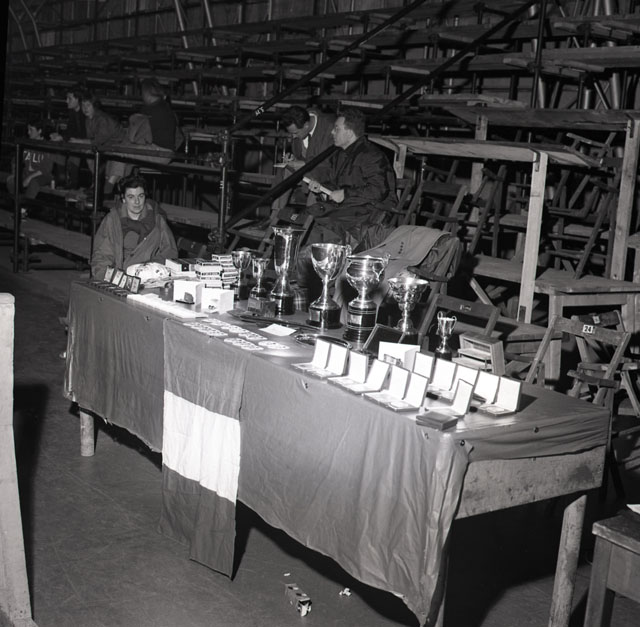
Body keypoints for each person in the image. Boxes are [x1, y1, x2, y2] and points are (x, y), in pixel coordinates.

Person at [296, 107, 396, 300]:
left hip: (367, 215)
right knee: (309, 222)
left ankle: (323, 288)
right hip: (346, 212)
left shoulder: (371, 155)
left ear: (349, 132)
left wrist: (346, 194)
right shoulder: (339, 155)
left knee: (319, 239)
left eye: (337, 128)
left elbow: (378, 190)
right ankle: (311, 290)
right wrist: (322, 189)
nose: (332, 132)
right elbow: (335, 186)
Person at [91, 173, 178, 279]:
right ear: (123, 199)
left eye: (140, 196)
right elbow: (102, 255)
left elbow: (170, 251)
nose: (137, 202)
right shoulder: (113, 220)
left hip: (149, 277)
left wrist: (150, 268)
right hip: (118, 277)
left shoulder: (157, 220)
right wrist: (111, 278)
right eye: (131, 197)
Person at [272, 106, 335, 209]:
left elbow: (331, 163)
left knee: (315, 183)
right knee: (284, 172)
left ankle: (310, 215)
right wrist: (294, 159)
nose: (293, 137)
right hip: (307, 170)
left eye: (295, 133)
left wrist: (305, 164)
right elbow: (300, 155)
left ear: (306, 125)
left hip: (325, 173)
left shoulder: (330, 129)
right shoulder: (301, 124)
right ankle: (276, 213)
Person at [80, 92, 129, 194]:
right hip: (107, 146)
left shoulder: (102, 118)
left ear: (94, 106)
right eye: (83, 105)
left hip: (120, 145)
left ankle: (107, 187)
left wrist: (79, 141)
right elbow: (93, 140)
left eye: (88, 105)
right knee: (87, 151)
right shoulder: (88, 120)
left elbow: (98, 140)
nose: (85, 108)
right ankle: (96, 183)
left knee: (117, 155)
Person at [6, 119, 64, 199]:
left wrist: (29, 178)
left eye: (31, 130)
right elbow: (16, 160)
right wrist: (15, 173)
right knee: (11, 180)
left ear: (39, 131)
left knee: (33, 182)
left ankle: (26, 204)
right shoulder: (27, 144)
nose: (28, 132)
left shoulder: (46, 145)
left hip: (43, 176)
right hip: (28, 173)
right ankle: (17, 202)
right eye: (28, 129)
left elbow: (46, 170)